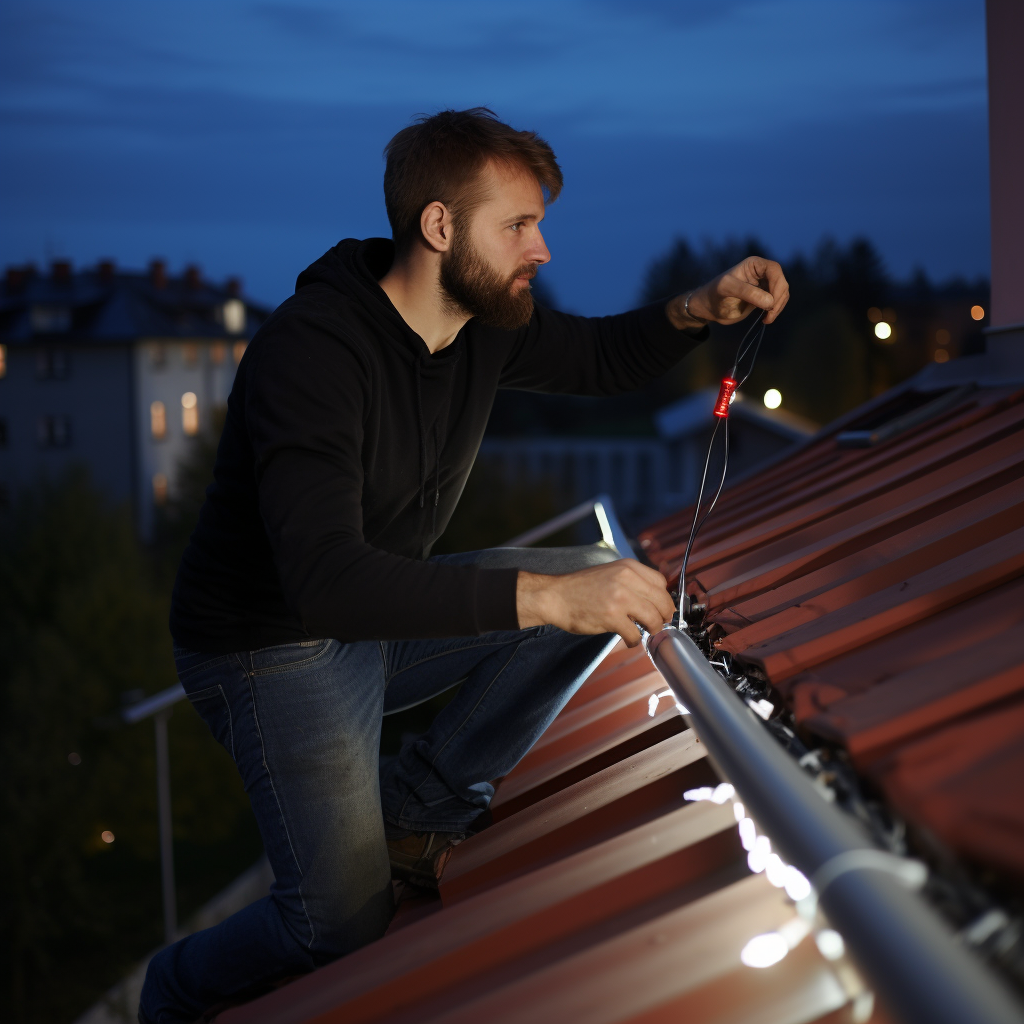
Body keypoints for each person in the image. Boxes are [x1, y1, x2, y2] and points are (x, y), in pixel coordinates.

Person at [140, 107, 789, 1022]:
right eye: (520, 226)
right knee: (340, 926)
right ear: (440, 227)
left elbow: (599, 357)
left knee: (600, 574)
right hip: (269, 646)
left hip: (370, 621)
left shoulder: (484, 321)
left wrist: (698, 309)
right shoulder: (312, 355)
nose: (544, 250)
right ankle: (170, 990)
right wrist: (550, 599)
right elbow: (326, 581)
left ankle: (421, 809)